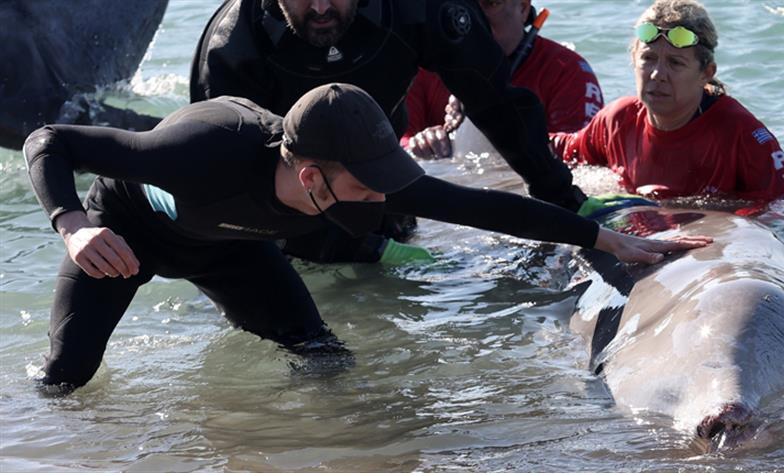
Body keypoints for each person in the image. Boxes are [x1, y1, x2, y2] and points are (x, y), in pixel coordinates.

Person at [22, 83, 710, 393]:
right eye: (366, 182)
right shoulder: (194, 149)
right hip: (127, 235)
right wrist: (73, 226)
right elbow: (49, 141)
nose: (383, 196)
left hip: (230, 249)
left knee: (325, 358)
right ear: (313, 173)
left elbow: (486, 210)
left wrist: (606, 239)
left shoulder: (359, 177)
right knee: (66, 381)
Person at [192, 0, 607, 265]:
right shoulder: (232, 47)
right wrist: (360, 251)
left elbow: (497, 105)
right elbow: (234, 189)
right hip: (279, 219)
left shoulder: (419, 9)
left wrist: (563, 199)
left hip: (383, 190)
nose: (320, 7)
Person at [551, 0, 784, 210]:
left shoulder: (742, 133)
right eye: (648, 58)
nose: (657, 74)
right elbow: (562, 151)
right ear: (632, 60)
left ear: (706, 72)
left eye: (676, 63)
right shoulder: (617, 120)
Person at [402, 0, 604, 159]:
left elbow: (583, 154)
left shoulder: (567, 72)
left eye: (491, 3)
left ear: (523, 8)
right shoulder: (426, 65)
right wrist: (419, 144)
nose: (475, 17)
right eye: (467, 3)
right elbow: (388, 140)